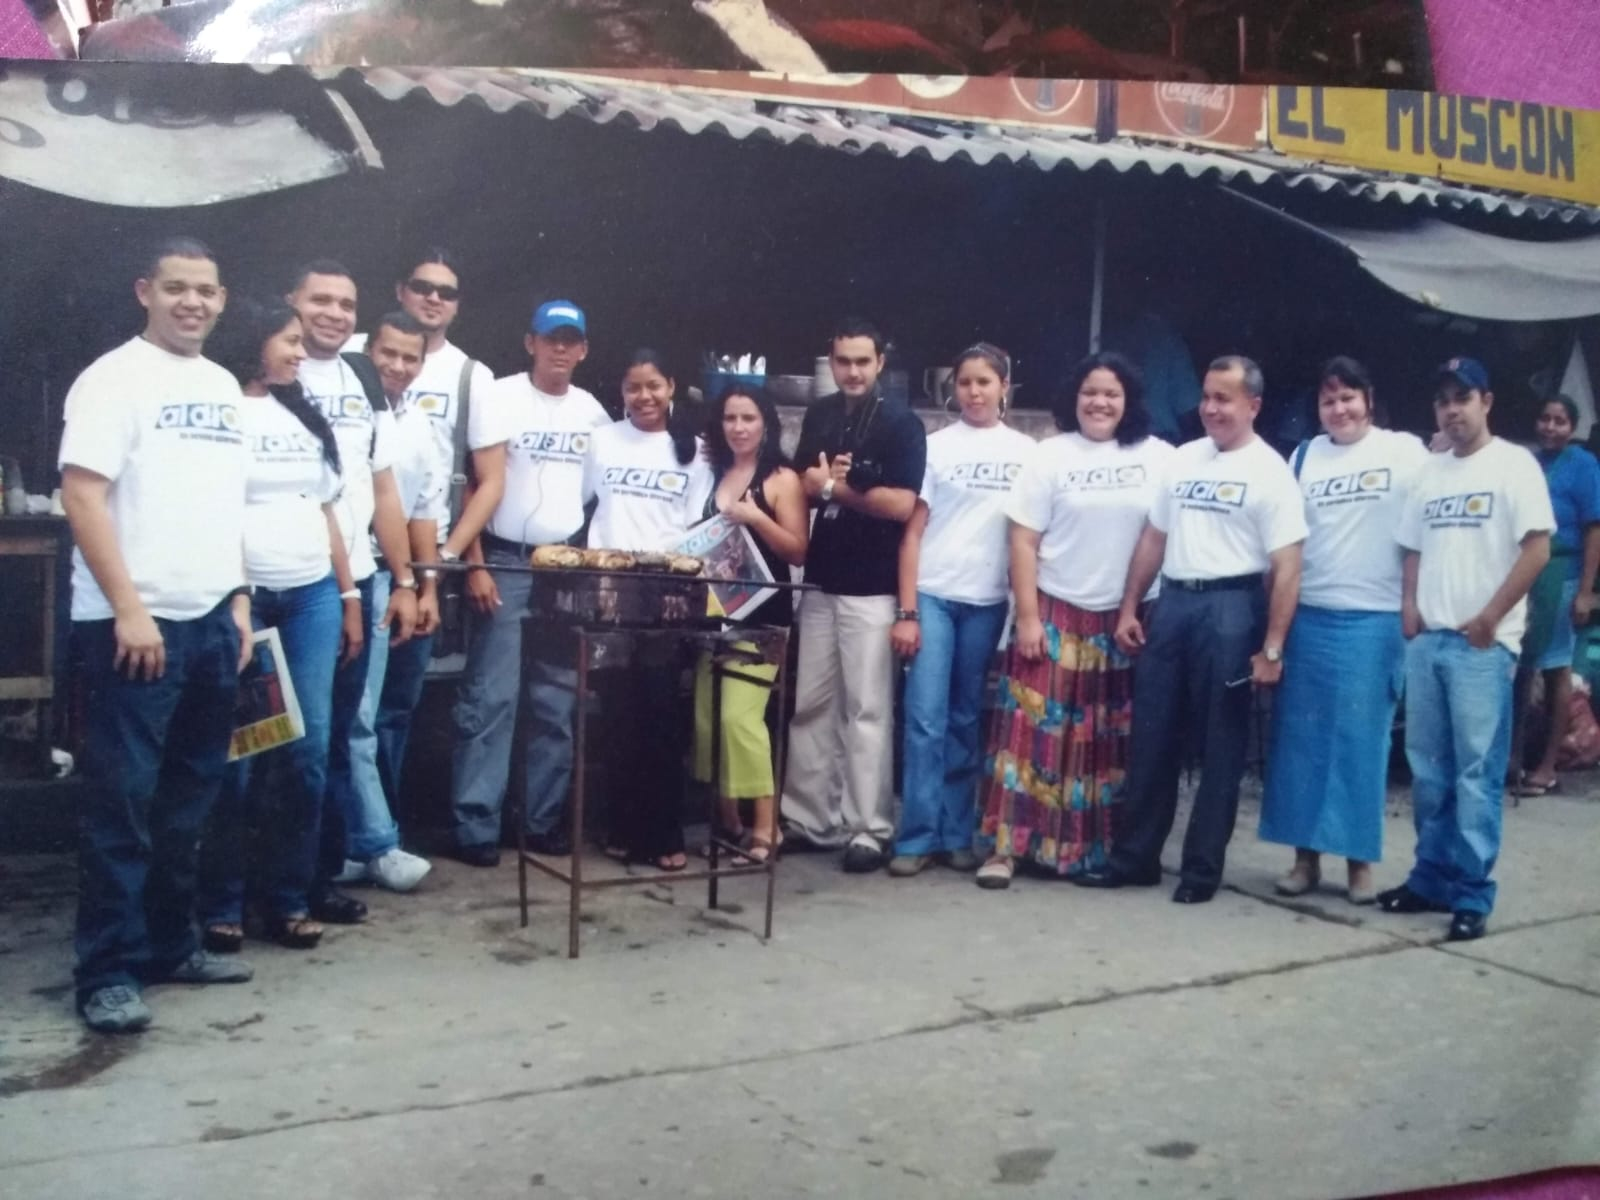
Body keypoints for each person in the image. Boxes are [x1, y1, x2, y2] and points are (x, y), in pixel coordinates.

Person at [62, 238, 256, 1034]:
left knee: (188, 803)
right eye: (176, 288)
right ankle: (105, 972)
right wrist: (130, 608)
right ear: (145, 291)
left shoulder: (220, 385)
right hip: (132, 627)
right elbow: (81, 497)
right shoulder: (112, 379)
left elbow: (223, 504)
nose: (192, 303)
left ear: (222, 298)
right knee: (124, 807)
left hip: (212, 620)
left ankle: (170, 946)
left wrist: (239, 600)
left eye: (205, 290)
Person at [1076, 356, 1307, 904]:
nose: (1211, 408)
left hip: (1232, 608)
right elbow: (1154, 539)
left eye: (1224, 399)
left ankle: (1202, 870)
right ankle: (1136, 859)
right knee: (1152, 736)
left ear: (1253, 405)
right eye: (1206, 396)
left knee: (1219, 744)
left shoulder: (1271, 472)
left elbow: (1288, 568)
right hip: (1175, 604)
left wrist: (1272, 648)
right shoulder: (1182, 459)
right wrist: (1131, 606)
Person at [196, 298, 363, 953]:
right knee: (239, 761)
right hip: (246, 600)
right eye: (287, 340)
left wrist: (348, 594)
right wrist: (237, 595)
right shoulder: (222, 410)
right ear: (253, 340)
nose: (299, 352)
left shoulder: (303, 413)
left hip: (313, 595)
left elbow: (324, 510)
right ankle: (221, 904)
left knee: (308, 754)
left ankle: (289, 897)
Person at [974, 351, 1173, 889]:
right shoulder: (1050, 455)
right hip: (1055, 612)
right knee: (1030, 733)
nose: (1099, 402)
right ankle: (1006, 850)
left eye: (1111, 393)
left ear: (1128, 401)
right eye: (1090, 392)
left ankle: (1090, 851)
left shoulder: (1159, 458)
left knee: (1103, 741)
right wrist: (1030, 619)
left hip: (1123, 622)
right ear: (1074, 398)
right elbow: (1022, 540)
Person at [1381, 357, 1554, 941]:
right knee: (1428, 772)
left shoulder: (1515, 465)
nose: (1452, 410)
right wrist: (1410, 604)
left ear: (1487, 401)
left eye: (1463, 397)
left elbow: (1536, 549)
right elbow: (1412, 546)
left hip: (1481, 646)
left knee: (1476, 775)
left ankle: (1472, 892)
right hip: (1429, 641)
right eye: (1443, 400)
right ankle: (1430, 877)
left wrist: (1490, 617)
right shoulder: (1429, 473)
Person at [1258, 358, 1430, 903]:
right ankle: (1305, 861)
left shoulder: (1404, 451)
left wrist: (1411, 603)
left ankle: (1359, 866)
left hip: (1375, 618)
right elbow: (1283, 543)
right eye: (1329, 400)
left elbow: (1422, 533)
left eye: (1349, 397)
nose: (1340, 409)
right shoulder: (1303, 456)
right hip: (1310, 614)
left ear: (1369, 399)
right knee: (1301, 744)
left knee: (1361, 744)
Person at [450, 300, 609, 866]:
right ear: (530, 342)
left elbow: (593, 495)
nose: (560, 349)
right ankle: (475, 824)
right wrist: (476, 562)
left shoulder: (593, 414)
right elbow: (473, 485)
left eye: (570, 340)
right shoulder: (501, 396)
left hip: (561, 568)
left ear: (584, 348)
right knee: (491, 697)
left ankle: (540, 821)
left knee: (555, 701)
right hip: (505, 562)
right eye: (550, 338)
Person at [283, 261, 420, 917]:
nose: (334, 312)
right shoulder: (275, 370)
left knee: (337, 735)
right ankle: (262, 884)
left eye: (346, 302)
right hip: (289, 576)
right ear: (294, 303)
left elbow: (384, 488)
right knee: (282, 740)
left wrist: (403, 579)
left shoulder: (362, 379)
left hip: (360, 581)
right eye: (321, 301)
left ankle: (317, 878)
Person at [354, 247, 498, 854]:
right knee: (354, 715)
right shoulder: (347, 367)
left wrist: (435, 575)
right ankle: (359, 840)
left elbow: (434, 497)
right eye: (422, 287)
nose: (434, 298)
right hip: (355, 567)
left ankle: (379, 835)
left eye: (447, 291)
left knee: (395, 709)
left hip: (419, 562)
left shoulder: (461, 382)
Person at [782, 317, 928, 872]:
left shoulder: (901, 423)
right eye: (843, 361)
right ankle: (808, 818)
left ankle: (869, 827)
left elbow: (900, 505)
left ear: (880, 363)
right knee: (812, 704)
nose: (852, 371)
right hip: (822, 578)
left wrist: (835, 486)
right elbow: (800, 481)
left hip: (873, 585)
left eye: (862, 361)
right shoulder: (820, 415)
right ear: (830, 360)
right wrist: (831, 484)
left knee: (867, 709)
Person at [887, 343, 1034, 878]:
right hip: (933, 594)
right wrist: (908, 609)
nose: (974, 392)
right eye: (965, 382)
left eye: (984, 382)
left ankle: (956, 833)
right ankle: (917, 836)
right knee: (925, 716)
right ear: (953, 388)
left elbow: (1028, 535)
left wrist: (1023, 607)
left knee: (968, 718)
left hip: (987, 601)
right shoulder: (935, 446)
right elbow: (913, 533)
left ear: (1004, 387)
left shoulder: (1026, 452)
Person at [581, 349, 715, 871]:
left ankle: (665, 835)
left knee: (661, 716)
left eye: (654, 385)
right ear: (622, 391)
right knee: (617, 714)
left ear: (672, 386)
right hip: (610, 589)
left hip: (667, 595)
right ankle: (620, 829)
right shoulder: (603, 440)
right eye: (634, 387)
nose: (645, 397)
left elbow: (693, 529)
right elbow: (584, 505)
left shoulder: (696, 451)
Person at [328, 311, 447, 892]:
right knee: (353, 717)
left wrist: (422, 588)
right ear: (368, 349)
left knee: (372, 716)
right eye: (388, 354)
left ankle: (362, 842)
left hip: (385, 578)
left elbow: (419, 512)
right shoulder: (342, 403)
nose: (397, 367)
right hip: (331, 573)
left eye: (410, 358)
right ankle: (374, 841)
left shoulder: (421, 428)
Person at [692, 383, 808, 864]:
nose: (739, 427)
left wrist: (755, 517)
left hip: (763, 618)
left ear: (766, 424)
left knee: (741, 720)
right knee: (707, 720)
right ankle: (731, 823)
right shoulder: (711, 472)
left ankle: (767, 828)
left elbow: (798, 549)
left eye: (749, 418)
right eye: (730, 418)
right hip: (713, 613)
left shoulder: (781, 478)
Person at [1508, 394, 1600, 797]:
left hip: (1563, 573)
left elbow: (1594, 530)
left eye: (1560, 421)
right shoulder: (1528, 462)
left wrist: (1584, 592)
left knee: (1556, 668)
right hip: (1528, 572)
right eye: (1544, 419)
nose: (1550, 427)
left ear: (1573, 427)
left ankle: (1547, 766)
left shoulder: (1583, 465)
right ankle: (1513, 760)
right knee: (1521, 668)